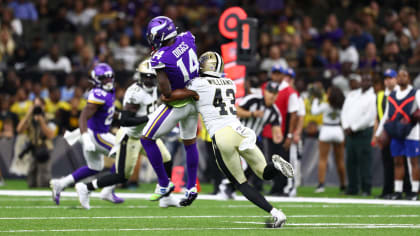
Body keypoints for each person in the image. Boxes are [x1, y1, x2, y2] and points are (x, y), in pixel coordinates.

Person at [162, 51, 294, 228]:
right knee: (264, 172)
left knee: (241, 184)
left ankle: (275, 213)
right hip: (240, 130)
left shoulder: (198, 84)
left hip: (222, 135)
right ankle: (276, 174)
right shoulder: (229, 83)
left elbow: (170, 95)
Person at [75, 59, 177, 209]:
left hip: (147, 135)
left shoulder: (156, 88)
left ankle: (166, 197)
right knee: (122, 176)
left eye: (152, 76)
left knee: (166, 159)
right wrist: (150, 118)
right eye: (145, 76)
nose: (149, 80)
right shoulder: (135, 94)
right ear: (140, 76)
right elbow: (126, 121)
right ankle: (87, 187)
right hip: (131, 137)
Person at [140, 16, 200, 206]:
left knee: (146, 138)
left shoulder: (160, 57)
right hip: (195, 102)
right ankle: (191, 187)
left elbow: (167, 93)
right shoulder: (187, 38)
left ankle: (164, 183)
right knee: (190, 143)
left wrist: (167, 96)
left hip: (179, 104)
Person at [50, 63, 123, 205]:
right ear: (96, 80)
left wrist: (121, 116)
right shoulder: (98, 94)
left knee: (95, 167)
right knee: (124, 155)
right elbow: (82, 117)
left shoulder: (109, 92)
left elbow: (106, 111)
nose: (108, 81)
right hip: (96, 135)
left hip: (96, 133)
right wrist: (86, 139)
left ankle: (60, 184)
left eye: (110, 77)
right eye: (104, 78)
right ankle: (107, 190)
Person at [376, 69, 420, 200]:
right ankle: (398, 191)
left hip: (412, 132)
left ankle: (414, 191)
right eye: (399, 76)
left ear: (409, 79)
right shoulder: (393, 95)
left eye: (404, 75)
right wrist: (378, 133)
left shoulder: (415, 93)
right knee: (397, 162)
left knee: (413, 162)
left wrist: (413, 118)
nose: (401, 78)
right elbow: (386, 115)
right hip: (396, 132)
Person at [341, 74, 377, 196]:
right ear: (360, 81)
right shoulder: (352, 95)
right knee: (350, 161)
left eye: (368, 80)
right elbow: (344, 111)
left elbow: (369, 117)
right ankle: (352, 188)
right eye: (363, 80)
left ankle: (366, 188)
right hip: (349, 133)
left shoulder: (372, 97)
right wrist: (346, 126)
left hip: (364, 132)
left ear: (371, 82)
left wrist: (354, 127)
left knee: (364, 161)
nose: (365, 82)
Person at [311, 86, 346, 193]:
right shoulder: (342, 106)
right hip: (338, 130)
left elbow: (314, 112)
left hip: (326, 129)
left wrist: (316, 99)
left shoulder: (325, 106)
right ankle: (343, 185)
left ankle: (321, 185)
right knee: (340, 160)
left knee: (323, 159)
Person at [16, 97, 57, 187]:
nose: (37, 107)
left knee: (43, 181)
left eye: (40, 105)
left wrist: (42, 121)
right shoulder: (29, 118)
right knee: (31, 182)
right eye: (35, 105)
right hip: (33, 148)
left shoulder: (49, 117)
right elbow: (19, 130)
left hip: (44, 148)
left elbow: (51, 135)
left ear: (44, 106)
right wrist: (28, 114)